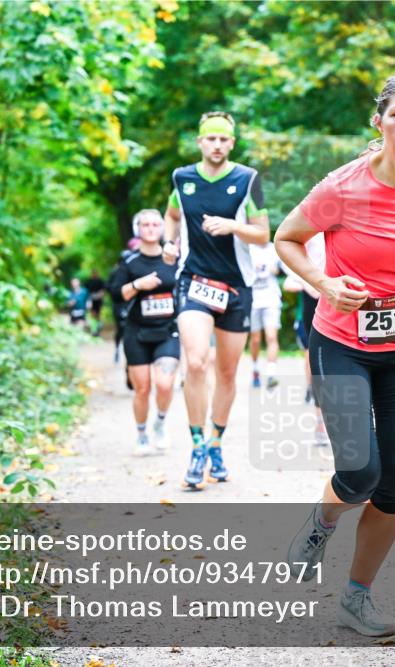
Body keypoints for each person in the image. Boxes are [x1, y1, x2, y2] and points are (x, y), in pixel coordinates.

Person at [274, 73, 395, 637]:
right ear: (377, 123)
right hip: (341, 341)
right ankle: (322, 521)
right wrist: (324, 284)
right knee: (359, 471)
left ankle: (357, 598)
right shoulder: (342, 186)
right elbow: (286, 237)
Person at [162, 111, 269, 488]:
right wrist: (167, 241)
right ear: (200, 141)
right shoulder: (182, 178)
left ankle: (216, 442)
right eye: (211, 139)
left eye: (224, 139)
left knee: (226, 372)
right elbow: (172, 215)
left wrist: (234, 226)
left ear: (232, 143)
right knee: (195, 362)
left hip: (236, 287)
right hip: (194, 281)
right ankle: (196, 448)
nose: (218, 145)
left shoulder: (248, 179)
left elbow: (263, 234)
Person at [108, 210, 180, 455]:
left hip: (168, 330)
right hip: (137, 332)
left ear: (162, 228)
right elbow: (116, 294)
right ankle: (141, 434)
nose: (150, 228)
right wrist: (139, 284)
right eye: (145, 224)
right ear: (137, 228)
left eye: (155, 224)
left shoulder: (174, 260)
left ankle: (159, 423)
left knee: (165, 384)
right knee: (142, 388)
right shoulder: (129, 262)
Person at [281, 233, 329, 444]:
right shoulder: (310, 230)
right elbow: (288, 265)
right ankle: (320, 426)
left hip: (340, 296)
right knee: (315, 362)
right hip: (313, 304)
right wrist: (308, 283)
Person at [248, 241, 283, 390]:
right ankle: (255, 369)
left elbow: (285, 267)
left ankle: (270, 375)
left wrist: (277, 269)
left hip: (271, 298)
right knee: (255, 339)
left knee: (271, 336)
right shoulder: (248, 247)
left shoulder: (274, 248)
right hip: (253, 299)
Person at [84, 269, 107, 336]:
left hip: (98, 300)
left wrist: (99, 295)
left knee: (97, 314)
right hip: (91, 299)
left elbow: (103, 290)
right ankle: (94, 329)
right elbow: (86, 291)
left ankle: (97, 328)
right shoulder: (88, 282)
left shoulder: (100, 281)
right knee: (92, 314)